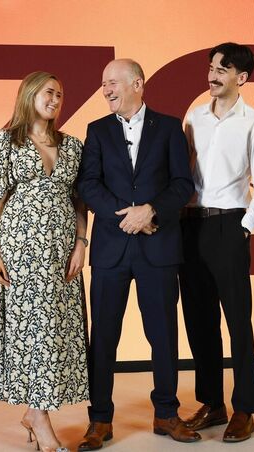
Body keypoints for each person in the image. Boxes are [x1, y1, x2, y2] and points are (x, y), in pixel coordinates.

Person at [76, 59, 199, 451]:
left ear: (138, 84)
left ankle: (166, 413)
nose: (106, 89)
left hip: (159, 248)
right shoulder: (96, 131)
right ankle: (99, 420)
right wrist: (128, 216)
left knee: (162, 335)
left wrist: (151, 211)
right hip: (112, 250)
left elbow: (183, 184)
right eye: (103, 83)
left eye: (112, 82)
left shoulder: (169, 127)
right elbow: (88, 185)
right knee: (104, 337)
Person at [0, 71, 89, 452]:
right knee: (32, 333)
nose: (56, 99)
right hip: (21, 249)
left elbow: (79, 201)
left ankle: (34, 414)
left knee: (54, 332)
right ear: (29, 95)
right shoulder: (6, 141)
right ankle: (40, 419)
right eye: (49, 92)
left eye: (60, 94)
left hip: (61, 252)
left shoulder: (73, 145)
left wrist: (81, 243)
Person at [179, 42, 254, 443]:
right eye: (211, 67)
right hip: (190, 226)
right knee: (199, 322)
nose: (212, 74)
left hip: (229, 227)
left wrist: (245, 227)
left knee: (238, 321)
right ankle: (213, 404)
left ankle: (246, 409)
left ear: (242, 78)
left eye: (222, 68)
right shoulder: (193, 118)